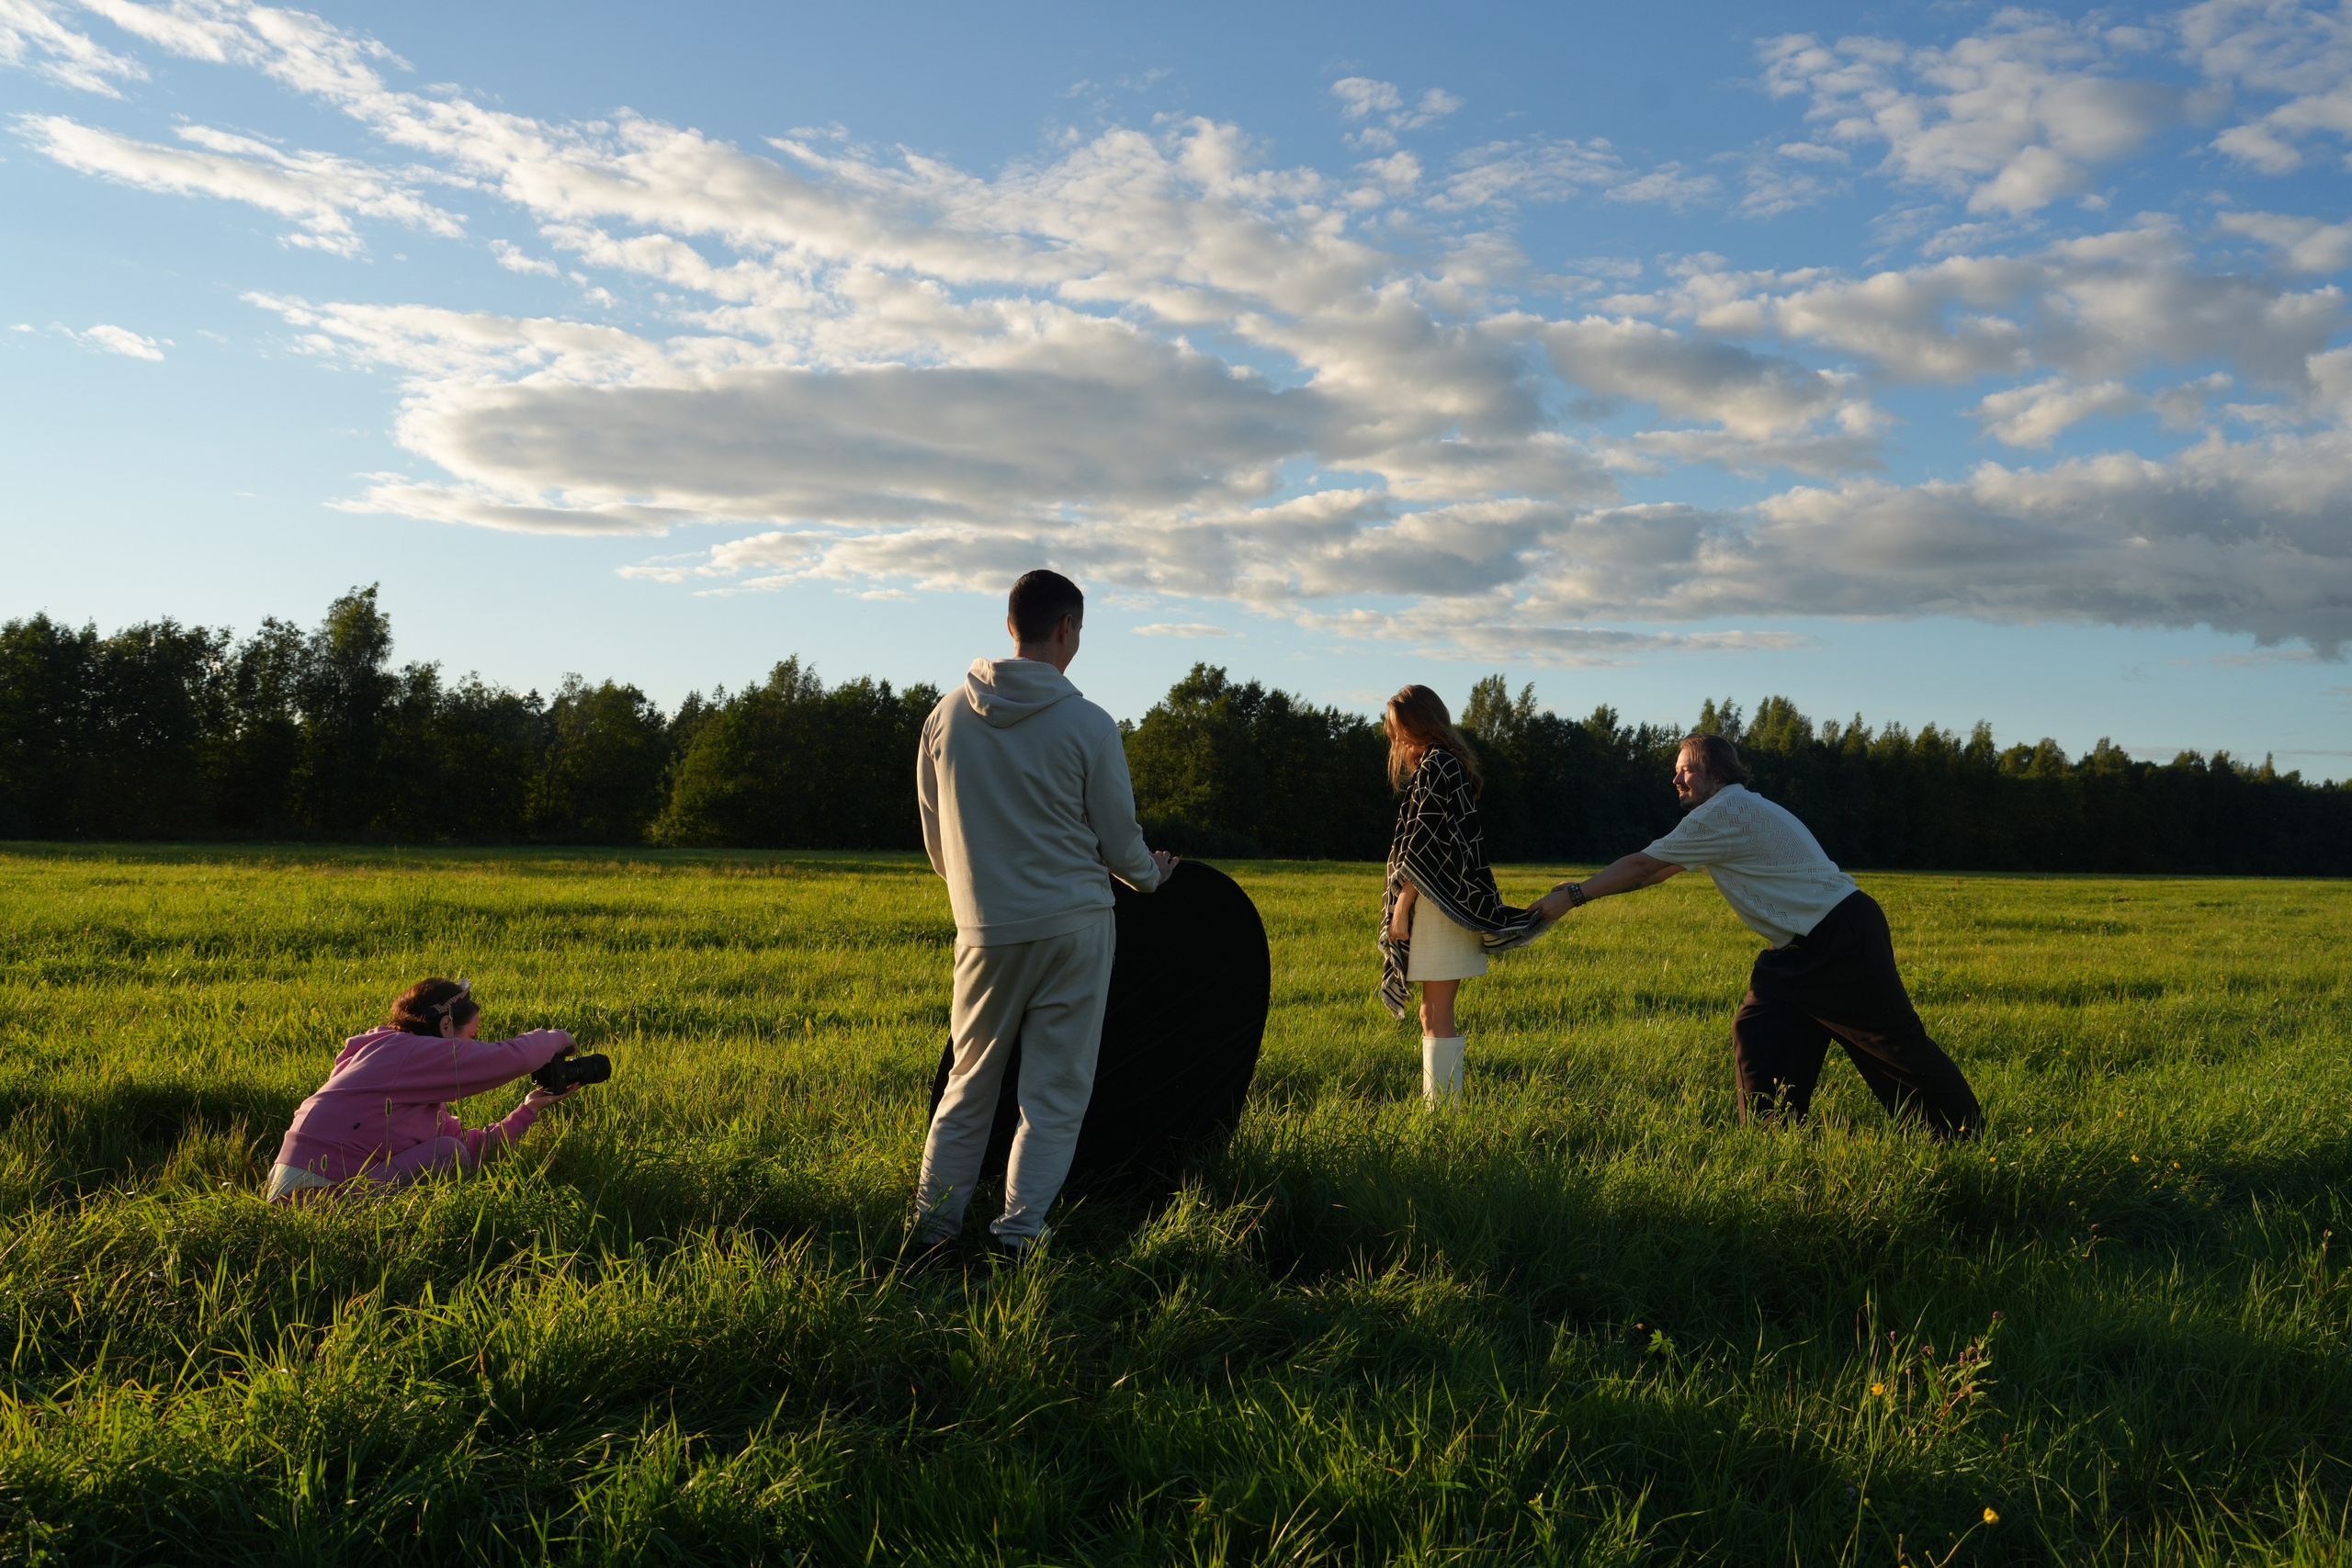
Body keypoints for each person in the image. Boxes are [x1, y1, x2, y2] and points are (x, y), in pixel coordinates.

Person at [912, 569, 1179, 1253]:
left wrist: (983, 895)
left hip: (983, 931)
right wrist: (1152, 878)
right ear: (1066, 628)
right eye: (1079, 630)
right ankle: (1018, 1237)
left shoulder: (944, 716)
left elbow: (940, 845)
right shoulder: (1089, 723)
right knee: (1053, 1095)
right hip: (1075, 927)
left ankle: (932, 1235)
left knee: (967, 1087)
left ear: (1011, 625)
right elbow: (1120, 842)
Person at [1533, 733, 1981, 1137]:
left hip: (1839, 936)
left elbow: (1643, 865)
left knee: (1890, 1044)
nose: (1676, 780)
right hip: (1798, 948)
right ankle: (1774, 1138)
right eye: (1674, 772)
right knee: (1759, 1027)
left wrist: (1573, 896)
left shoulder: (1724, 811)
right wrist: (1582, 888)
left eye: (1685, 770)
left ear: (1715, 771)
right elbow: (1658, 870)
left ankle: (1963, 1136)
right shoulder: (1732, 809)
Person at [266, 977, 589, 1203]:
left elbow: (472, 1154)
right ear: (445, 1026)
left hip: (295, 1192)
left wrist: (528, 1110)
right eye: (471, 1036)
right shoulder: (405, 1053)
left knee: (451, 1151)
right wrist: (557, 1038)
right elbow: (507, 1059)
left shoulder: (389, 1063)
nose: (472, 1047)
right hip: (315, 1198)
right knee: (446, 1153)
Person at [1379, 685, 1553, 1107]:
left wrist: (1402, 905)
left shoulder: (1438, 765)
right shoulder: (1445, 765)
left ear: (1421, 723)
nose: (1396, 738)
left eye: (1400, 728)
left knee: (1435, 1014)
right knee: (1432, 1013)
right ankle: (1440, 1110)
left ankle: (1442, 1116)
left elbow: (1427, 842)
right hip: (1444, 902)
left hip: (1438, 905)